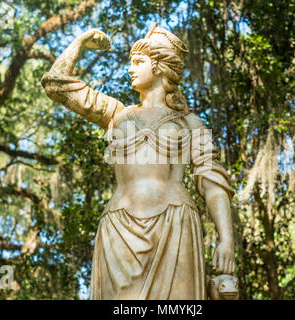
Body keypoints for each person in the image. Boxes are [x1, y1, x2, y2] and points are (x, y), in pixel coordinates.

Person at [41, 24, 235, 300]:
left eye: (138, 62)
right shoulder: (117, 115)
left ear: (158, 67)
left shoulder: (190, 123)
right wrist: (80, 42)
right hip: (119, 228)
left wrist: (226, 240)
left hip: (175, 224)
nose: (130, 69)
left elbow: (212, 182)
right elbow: (55, 84)